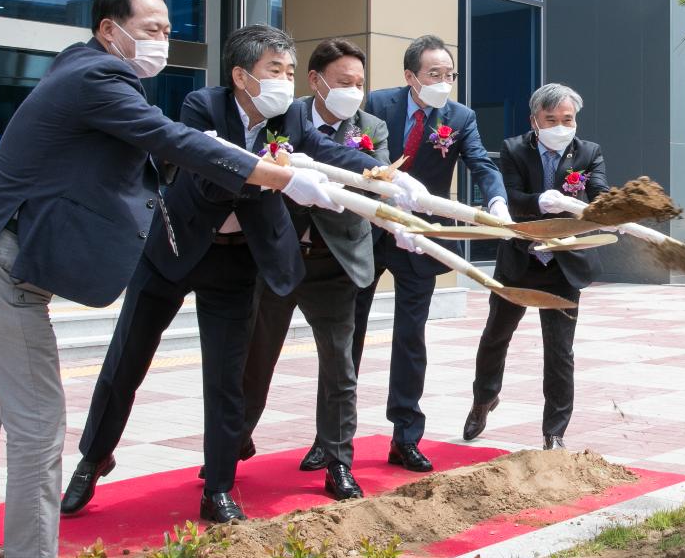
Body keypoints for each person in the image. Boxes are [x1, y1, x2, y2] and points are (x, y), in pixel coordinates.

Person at [0, 0, 339, 558]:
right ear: (110, 30)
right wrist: (277, 175)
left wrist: (351, 180)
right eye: (151, 27)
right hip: (1, 261)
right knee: (37, 415)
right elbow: (173, 141)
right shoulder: (99, 80)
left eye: (169, 29)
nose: (162, 40)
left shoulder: (82, 69)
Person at [60, 27, 420, 523]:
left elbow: (331, 152)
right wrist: (281, 176)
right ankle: (92, 458)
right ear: (241, 75)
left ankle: (219, 487)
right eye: (276, 70)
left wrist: (386, 178)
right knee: (127, 362)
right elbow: (208, 179)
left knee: (228, 378)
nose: (285, 81)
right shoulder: (201, 106)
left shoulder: (292, 117)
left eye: (291, 72)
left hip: (237, 260)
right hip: (174, 249)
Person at [239, 38, 399, 500]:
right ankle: (234, 439)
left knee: (339, 367)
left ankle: (337, 460)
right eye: (343, 82)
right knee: (256, 357)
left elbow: (373, 184)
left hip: (337, 261)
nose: (353, 90)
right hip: (281, 255)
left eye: (359, 83)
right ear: (315, 81)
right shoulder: (282, 116)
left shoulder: (372, 127)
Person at [349, 34, 508, 472]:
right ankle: (335, 437)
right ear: (410, 77)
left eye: (449, 74)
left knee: (410, 336)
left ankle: (405, 435)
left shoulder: (460, 117)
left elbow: (481, 164)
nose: (443, 81)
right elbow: (353, 155)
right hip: (372, 228)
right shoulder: (377, 105)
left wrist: (495, 201)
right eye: (434, 74)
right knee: (349, 332)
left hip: (420, 238)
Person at [463, 84, 609, 449]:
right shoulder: (514, 149)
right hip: (520, 259)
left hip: (564, 266)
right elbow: (509, 197)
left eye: (567, 119)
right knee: (496, 335)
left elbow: (601, 197)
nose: (560, 126)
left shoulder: (589, 153)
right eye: (551, 120)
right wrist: (539, 202)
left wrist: (609, 212)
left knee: (560, 351)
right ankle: (483, 400)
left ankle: (554, 433)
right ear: (535, 120)